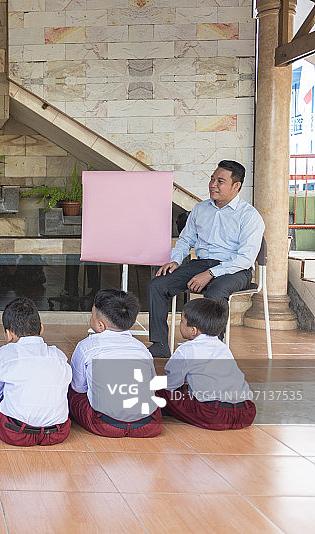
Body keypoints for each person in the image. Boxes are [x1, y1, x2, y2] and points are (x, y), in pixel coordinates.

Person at [148, 160, 264, 358]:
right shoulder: (200, 209)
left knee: (216, 290)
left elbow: (245, 258)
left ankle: (213, 349)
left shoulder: (249, 216)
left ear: (236, 186)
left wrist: (211, 274)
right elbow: (185, 240)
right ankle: (159, 344)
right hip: (201, 264)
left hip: (235, 269)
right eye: (212, 179)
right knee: (157, 285)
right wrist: (175, 260)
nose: (213, 185)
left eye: (220, 181)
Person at [0, 297, 72, 446]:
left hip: (17, 433)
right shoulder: (59, 355)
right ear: (41, 328)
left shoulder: (4, 354)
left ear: (8, 334)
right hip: (58, 433)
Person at [68, 289, 162, 438]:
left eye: (92, 314)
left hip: (106, 424)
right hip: (147, 424)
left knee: (71, 391)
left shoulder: (86, 346)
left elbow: (78, 387)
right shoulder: (142, 349)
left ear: (100, 325)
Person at [156, 298, 256, 430]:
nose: (180, 324)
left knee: (161, 392)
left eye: (182, 321)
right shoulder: (223, 347)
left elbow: (171, 384)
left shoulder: (186, 350)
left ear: (193, 330)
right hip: (246, 413)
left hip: (214, 415)